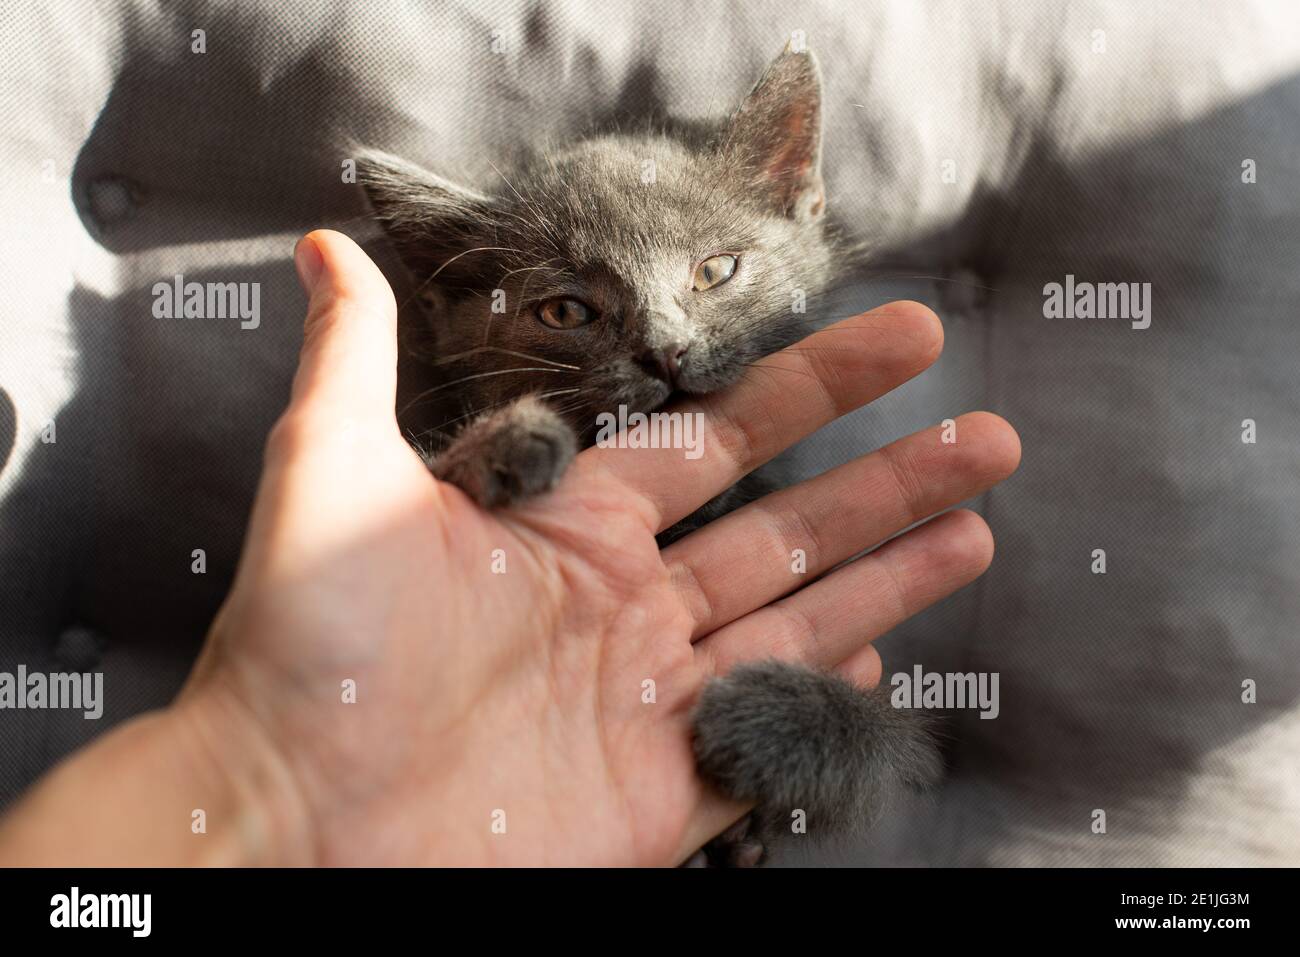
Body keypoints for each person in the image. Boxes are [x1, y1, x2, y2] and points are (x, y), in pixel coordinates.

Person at [0, 230, 1020, 865]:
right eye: (569, 308)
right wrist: (272, 779)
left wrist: (838, 737)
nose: (666, 336)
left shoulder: (792, 530)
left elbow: (864, 772)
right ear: (447, 313)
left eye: (711, 271)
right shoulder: (474, 520)